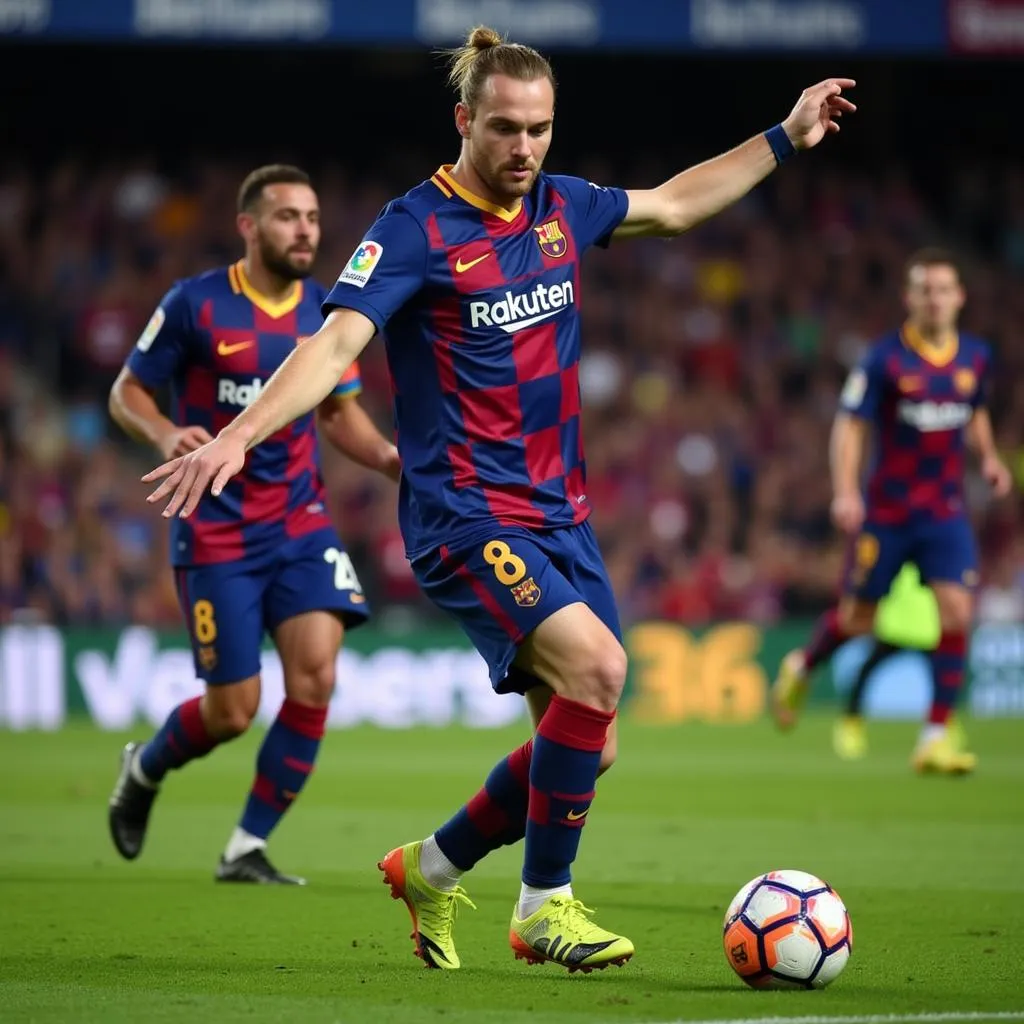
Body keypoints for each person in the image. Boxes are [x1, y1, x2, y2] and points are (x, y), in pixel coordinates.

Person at [140, 27, 854, 968]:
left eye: (541, 130)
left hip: (564, 517)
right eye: (507, 129)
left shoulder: (561, 206)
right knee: (598, 670)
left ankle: (431, 867)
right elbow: (332, 347)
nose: (524, 149)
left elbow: (677, 205)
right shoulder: (413, 227)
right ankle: (542, 908)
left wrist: (784, 135)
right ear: (464, 120)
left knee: (585, 747)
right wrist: (237, 435)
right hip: (465, 516)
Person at [107, 164, 401, 884]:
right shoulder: (196, 305)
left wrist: (392, 460)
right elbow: (127, 391)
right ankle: (145, 766)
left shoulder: (327, 315)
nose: (305, 229)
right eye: (287, 217)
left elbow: (338, 413)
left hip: (300, 523)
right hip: (216, 530)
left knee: (316, 676)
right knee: (233, 711)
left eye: (311, 216)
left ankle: (246, 846)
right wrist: (163, 433)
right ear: (249, 227)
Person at [772, 248, 1012, 775]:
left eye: (944, 290)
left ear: (960, 298)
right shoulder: (885, 359)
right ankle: (801, 663)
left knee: (957, 612)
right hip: (888, 513)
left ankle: (933, 737)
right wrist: (845, 491)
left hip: (945, 512)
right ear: (910, 298)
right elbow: (851, 426)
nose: (935, 299)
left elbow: (975, 414)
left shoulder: (974, 357)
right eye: (925, 290)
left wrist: (989, 458)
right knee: (859, 619)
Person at [832, 563, 939, 760]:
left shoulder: (915, 550)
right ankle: (851, 724)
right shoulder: (911, 550)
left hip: (920, 625)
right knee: (867, 671)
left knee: (941, 677)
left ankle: (944, 727)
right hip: (901, 624)